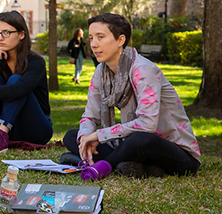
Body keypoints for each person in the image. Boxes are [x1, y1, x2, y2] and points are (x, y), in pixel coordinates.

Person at [65, 13, 201, 179]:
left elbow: (148, 124)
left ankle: (97, 164)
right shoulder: (101, 72)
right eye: (91, 38)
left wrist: (99, 135)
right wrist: (85, 138)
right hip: (126, 145)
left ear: (120, 40)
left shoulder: (143, 70)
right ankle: (133, 166)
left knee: (140, 140)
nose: (93, 44)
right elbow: (90, 116)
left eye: (100, 37)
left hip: (177, 153)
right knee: (72, 136)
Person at [0, 11, 53, 150]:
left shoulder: (35, 62)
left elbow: (18, 90)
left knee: (15, 80)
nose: (0, 38)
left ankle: (2, 134)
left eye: (6, 32)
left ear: (21, 35)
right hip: (8, 127)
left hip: (36, 128)